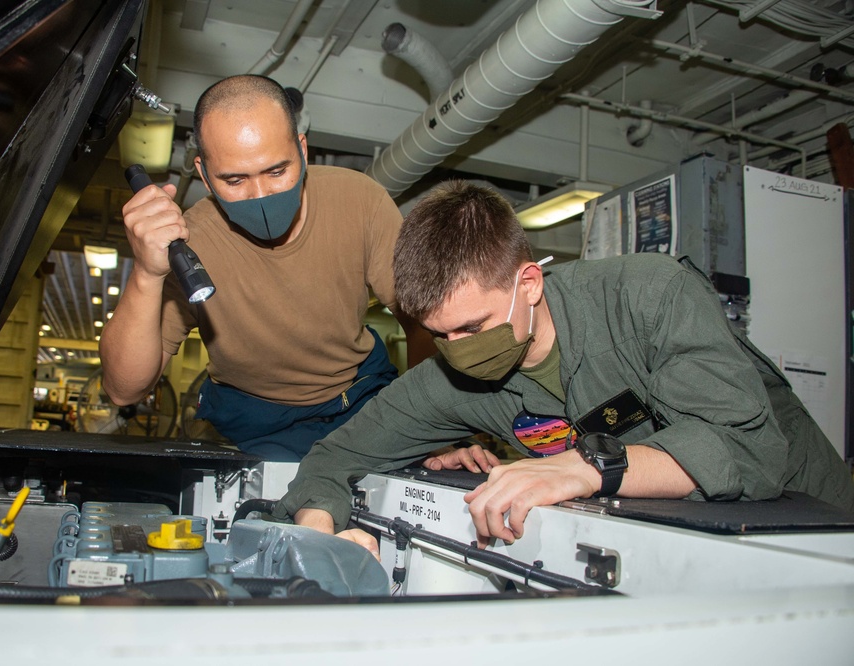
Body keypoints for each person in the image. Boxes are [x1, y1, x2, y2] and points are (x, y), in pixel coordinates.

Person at [274, 180, 854, 551]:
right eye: (439, 333)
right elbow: (334, 457)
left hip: (814, 528)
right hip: (668, 546)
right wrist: (319, 533)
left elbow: (749, 451)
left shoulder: (649, 297)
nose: (456, 348)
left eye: (472, 328)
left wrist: (584, 468)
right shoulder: (450, 379)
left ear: (528, 283)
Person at [100, 74, 432, 461]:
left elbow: (422, 322)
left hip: (360, 397)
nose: (260, 197)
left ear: (303, 151)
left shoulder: (360, 201)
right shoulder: (188, 242)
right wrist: (145, 273)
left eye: (277, 171)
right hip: (254, 422)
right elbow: (124, 390)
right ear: (204, 175)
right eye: (235, 180)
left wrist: (428, 426)